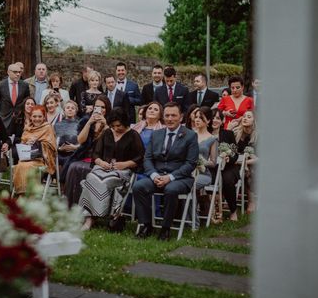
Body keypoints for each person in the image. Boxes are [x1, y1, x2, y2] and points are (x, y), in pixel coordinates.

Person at [132, 102, 198, 241]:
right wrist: (154, 175)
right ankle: (146, 225)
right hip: (157, 176)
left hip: (180, 178)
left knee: (171, 189)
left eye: (173, 115)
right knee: (138, 186)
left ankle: (165, 228)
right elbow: (147, 158)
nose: (170, 118)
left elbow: (190, 164)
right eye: (167, 115)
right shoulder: (156, 134)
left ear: (181, 117)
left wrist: (171, 177)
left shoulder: (190, 135)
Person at [79, 108, 144, 230]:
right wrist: (101, 162)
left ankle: (102, 214)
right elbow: (95, 154)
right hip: (104, 167)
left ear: (125, 122)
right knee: (91, 177)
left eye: (118, 125)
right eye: (113, 126)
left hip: (122, 171)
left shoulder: (133, 135)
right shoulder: (107, 133)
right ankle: (89, 218)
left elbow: (140, 157)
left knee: (105, 181)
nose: (116, 128)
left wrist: (125, 164)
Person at [63, 95, 111, 206]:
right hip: (84, 155)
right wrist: (89, 123)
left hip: (102, 157)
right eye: (97, 107)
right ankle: (71, 206)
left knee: (87, 170)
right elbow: (80, 140)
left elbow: (114, 141)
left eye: (103, 107)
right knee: (73, 167)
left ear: (107, 108)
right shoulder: (86, 120)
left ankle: (89, 208)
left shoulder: (111, 121)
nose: (100, 110)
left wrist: (106, 125)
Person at [12, 105, 57, 195]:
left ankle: (30, 194)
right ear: (31, 117)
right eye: (34, 116)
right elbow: (22, 144)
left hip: (41, 159)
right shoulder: (27, 129)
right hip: (27, 157)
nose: (37, 119)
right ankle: (22, 193)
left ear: (44, 117)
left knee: (28, 166)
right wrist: (26, 143)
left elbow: (52, 147)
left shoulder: (48, 127)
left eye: (40, 116)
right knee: (20, 166)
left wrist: (37, 143)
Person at [209, 108, 240, 221]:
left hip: (228, 167)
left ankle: (233, 210)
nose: (214, 120)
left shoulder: (228, 134)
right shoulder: (206, 134)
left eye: (218, 118)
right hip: (211, 167)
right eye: (212, 118)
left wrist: (228, 157)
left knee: (227, 180)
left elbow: (235, 154)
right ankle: (212, 211)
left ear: (222, 121)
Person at [191, 108, 218, 218]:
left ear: (208, 121)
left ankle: (194, 221)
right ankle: (185, 218)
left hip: (203, 173)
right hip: (188, 171)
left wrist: (201, 162)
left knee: (190, 185)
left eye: (201, 118)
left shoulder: (212, 139)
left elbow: (213, 162)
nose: (197, 120)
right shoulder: (190, 135)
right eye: (196, 117)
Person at [231, 110, 258, 213]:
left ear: (254, 120)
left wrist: (245, 163)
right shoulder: (235, 133)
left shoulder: (257, 136)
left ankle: (251, 201)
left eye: (249, 116)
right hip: (235, 163)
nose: (245, 118)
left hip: (252, 164)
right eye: (244, 116)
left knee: (250, 171)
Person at [0, 63, 30, 130]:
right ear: (8, 72)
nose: (18, 74)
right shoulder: (0, 85)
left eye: (19, 72)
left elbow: (26, 101)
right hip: (4, 119)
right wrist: (0, 114)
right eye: (15, 72)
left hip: (20, 119)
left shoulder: (25, 85)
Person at [54, 100, 80, 165]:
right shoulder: (57, 125)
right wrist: (59, 148)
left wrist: (75, 147)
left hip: (75, 154)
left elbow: (84, 142)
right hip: (59, 154)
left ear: (75, 111)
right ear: (64, 111)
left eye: (72, 108)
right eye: (68, 108)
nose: (70, 109)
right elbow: (53, 141)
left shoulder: (80, 125)